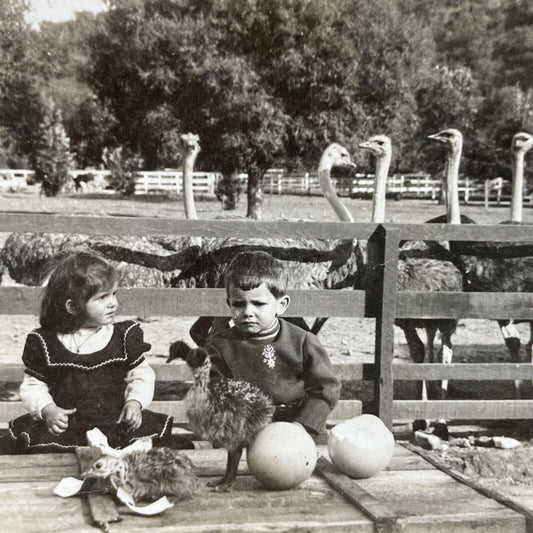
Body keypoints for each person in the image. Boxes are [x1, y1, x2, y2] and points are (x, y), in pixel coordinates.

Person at [6, 252, 172, 453]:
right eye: (102, 297)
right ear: (73, 307)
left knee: (138, 453)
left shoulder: (123, 336)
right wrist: (48, 409)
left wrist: (135, 402)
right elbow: (33, 385)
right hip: (67, 429)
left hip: (116, 425)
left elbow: (141, 375)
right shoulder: (46, 342)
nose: (113, 303)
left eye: (114, 294)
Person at [201, 250, 340, 437]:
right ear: (229, 304)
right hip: (245, 431)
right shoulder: (220, 347)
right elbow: (214, 394)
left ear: (281, 305)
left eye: (258, 304)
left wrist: (303, 425)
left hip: (298, 429)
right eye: (238, 304)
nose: (248, 312)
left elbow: (326, 389)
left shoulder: (302, 342)